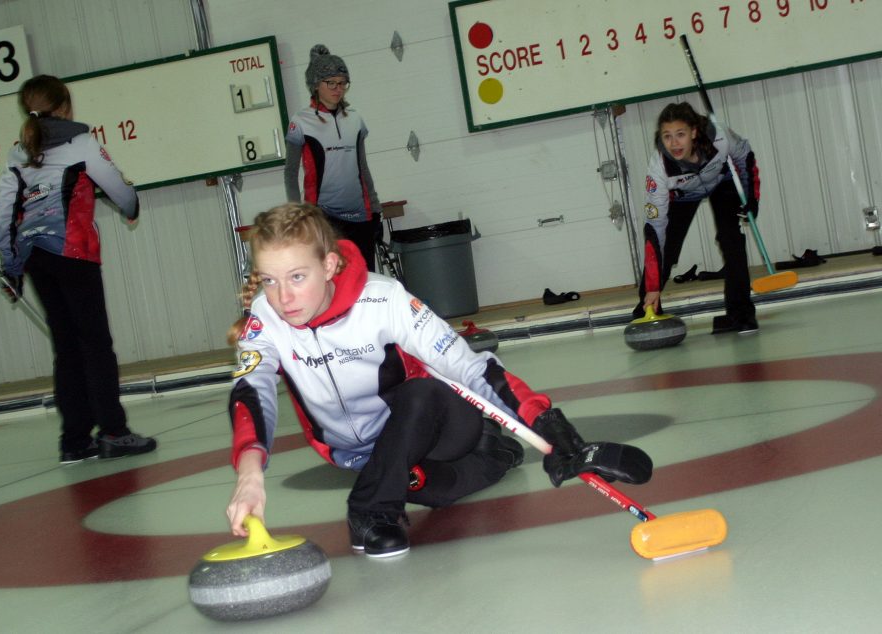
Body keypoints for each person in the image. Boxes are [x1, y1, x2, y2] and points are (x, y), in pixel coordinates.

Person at [224, 203, 649, 557]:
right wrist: (249, 474)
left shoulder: (383, 298)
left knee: (423, 392)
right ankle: (493, 452)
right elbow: (251, 390)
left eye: (297, 277)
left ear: (330, 264)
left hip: (433, 426)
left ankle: (369, 509)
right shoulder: (265, 318)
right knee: (436, 487)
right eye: (271, 281)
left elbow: (467, 365)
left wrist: (550, 427)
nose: (284, 298)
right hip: (361, 455)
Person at [0, 74, 157, 465]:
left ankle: (74, 440)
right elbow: (120, 191)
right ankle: (114, 432)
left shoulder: (18, 154)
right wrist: (131, 205)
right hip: (73, 251)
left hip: (34, 257)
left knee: (66, 348)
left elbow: (4, 216)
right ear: (65, 106)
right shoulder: (81, 143)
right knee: (95, 344)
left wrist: (11, 268)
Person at [636, 101, 761, 334]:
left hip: (721, 183)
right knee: (667, 247)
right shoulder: (659, 169)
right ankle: (647, 311)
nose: (674, 143)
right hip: (684, 195)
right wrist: (653, 286)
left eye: (680, 134)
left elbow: (745, 157)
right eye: (667, 136)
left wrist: (751, 198)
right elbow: (654, 230)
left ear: (694, 132)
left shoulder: (720, 137)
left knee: (730, 238)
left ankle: (741, 314)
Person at [284, 44, 384, 272]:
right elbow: (290, 173)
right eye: (331, 83)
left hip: (361, 216)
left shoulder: (356, 119)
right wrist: (296, 213)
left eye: (342, 83)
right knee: (335, 279)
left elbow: (363, 168)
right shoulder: (300, 122)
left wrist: (375, 209)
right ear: (315, 85)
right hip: (323, 217)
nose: (337, 89)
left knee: (365, 279)